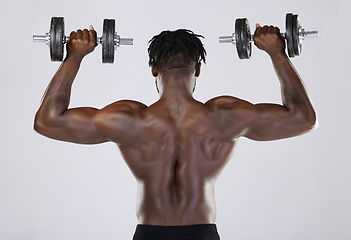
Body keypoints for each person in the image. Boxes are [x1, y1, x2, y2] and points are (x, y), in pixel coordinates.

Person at [34, 23, 316, 240]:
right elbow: (303, 118)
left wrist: (75, 55)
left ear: (153, 68)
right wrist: (277, 51)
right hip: (202, 234)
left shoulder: (129, 119)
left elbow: (47, 121)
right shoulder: (225, 116)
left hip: (150, 234)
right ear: (199, 69)